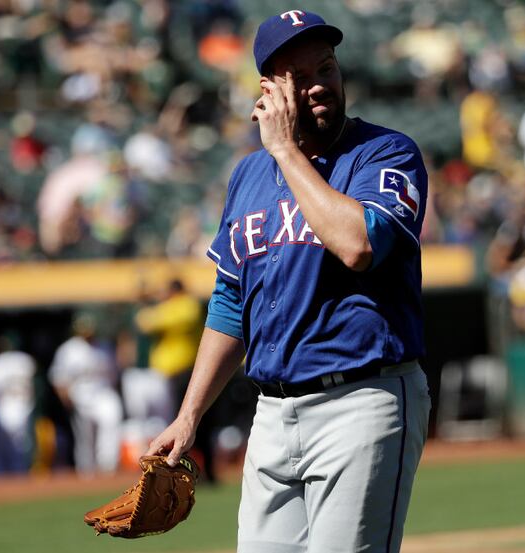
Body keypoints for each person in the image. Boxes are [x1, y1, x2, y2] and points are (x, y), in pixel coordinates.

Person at [146, 10, 431, 552]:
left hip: (362, 399)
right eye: (299, 77)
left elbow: (359, 244)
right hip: (272, 413)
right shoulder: (247, 176)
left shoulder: (386, 153)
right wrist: (188, 418)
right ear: (268, 91)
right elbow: (232, 303)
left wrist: (284, 149)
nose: (319, 84)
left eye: (326, 67)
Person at [132, 278, 217, 482]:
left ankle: (202, 470)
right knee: (174, 423)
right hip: (168, 375)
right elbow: (143, 322)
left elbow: (148, 321)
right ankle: (182, 470)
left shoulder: (186, 305)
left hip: (186, 372)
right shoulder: (169, 307)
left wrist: (153, 303)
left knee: (193, 422)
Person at [49, 314, 123, 474]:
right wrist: (66, 399)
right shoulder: (68, 349)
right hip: (80, 395)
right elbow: (58, 378)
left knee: (112, 420)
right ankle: (86, 472)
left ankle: (108, 467)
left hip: (103, 393)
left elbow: (114, 376)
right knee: (85, 436)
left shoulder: (105, 347)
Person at [0, 332, 37, 474]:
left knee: (0, 449)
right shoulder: (25, 360)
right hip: (23, 408)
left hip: (2, 409)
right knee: (21, 448)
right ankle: (20, 475)